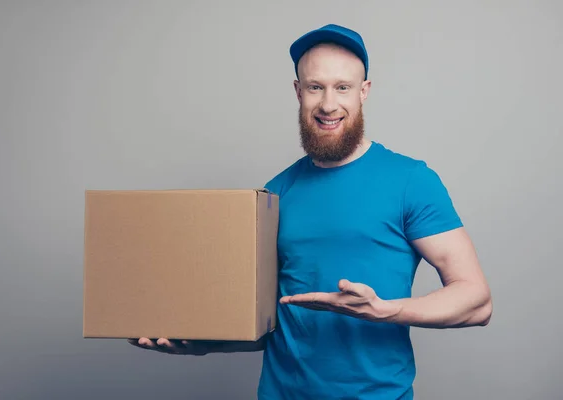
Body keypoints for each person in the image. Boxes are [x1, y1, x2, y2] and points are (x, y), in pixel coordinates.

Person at [129, 24, 493, 399]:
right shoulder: (275, 193)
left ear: (364, 92)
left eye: (343, 87)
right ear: (298, 91)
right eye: (315, 87)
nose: (329, 104)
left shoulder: (410, 181)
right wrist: (203, 344)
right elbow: (270, 322)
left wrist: (383, 310)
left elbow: (476, 301)